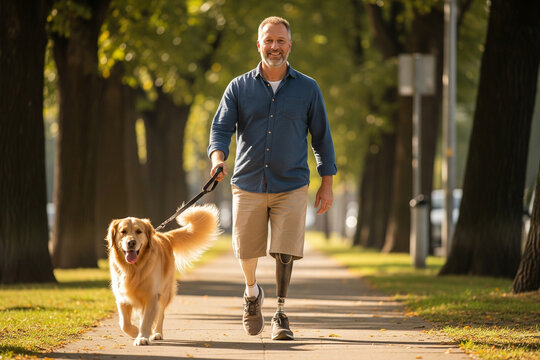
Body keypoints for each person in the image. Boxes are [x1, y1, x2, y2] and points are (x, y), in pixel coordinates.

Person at [207, 16, 337, 340]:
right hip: (248, 182)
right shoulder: (238, 87)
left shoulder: (308, 88)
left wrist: (327, 183)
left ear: (290, 45)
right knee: (246, 251)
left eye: (280, 41)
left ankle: (281, 312)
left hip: (292, 182)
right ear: (259, 44)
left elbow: (321, 138)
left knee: (285, 250)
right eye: (269, 40)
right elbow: (220, 129)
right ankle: (252, 294)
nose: (274, 47)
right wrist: (218, 160)